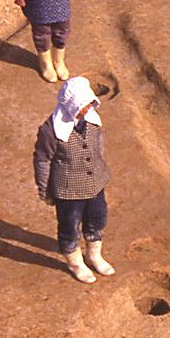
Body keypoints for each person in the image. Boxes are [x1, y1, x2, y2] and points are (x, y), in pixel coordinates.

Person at [33, 76, 115, 284]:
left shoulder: (93, 121)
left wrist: (97, 167)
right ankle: (75, 262)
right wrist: (45, 190)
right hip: (68, 190)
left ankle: (94, 255)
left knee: (98, 218)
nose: (87, 109)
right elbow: (42, 161)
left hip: (95, 184)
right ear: (71, 105)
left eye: (89, 104)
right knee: (69, 225)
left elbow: (99, 146)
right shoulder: (51, 131)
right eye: (83, 105)